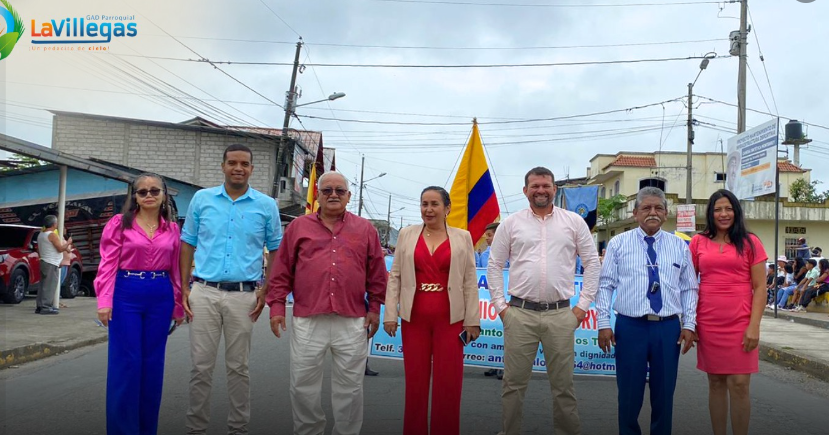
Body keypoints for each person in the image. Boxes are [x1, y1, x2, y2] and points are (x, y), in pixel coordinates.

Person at [267, 171, 387, 435]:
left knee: (350, 387)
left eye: (339, 191)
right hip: (309, 318)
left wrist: (375, 308)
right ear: (318, 195)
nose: (333, 195)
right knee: (303, 384)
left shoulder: (365, 229)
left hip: (352, 319)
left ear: (349, 196)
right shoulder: (298, 227)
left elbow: (377, 273)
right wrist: (276, 307)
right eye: (327, 190)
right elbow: (282, 269)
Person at [487, 167, 600, 435]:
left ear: (554, 189)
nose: (541, 190)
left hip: (561, 315)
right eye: (535, 186)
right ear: (525, 190)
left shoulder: (574, 222)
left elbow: (592, 263)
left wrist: (582, 307)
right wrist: (501, 307)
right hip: (519, 314)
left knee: (563, 386)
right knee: (513, 384)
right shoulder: (511, 224)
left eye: (546, 185)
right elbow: (494, 265)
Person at [180, 144, 282, 435]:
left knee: (239, 367)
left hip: (243, 295)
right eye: (233, 163)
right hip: (204, 291)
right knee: (200, 366)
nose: (239, 168)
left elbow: (276, 249)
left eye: (244, 164)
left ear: (252, 169)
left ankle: (238, 428)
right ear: (223, 166)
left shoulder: (266, 206)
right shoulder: (202, 199)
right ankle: (195, 428)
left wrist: (266, 289)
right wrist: (183, 286)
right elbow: (187, 242)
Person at [596, 187, 699, 435]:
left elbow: (689, 288)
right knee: (629, 394)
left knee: (664, 393)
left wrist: (689, 324)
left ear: (666, 213)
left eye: (658, 208)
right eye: (646, 208)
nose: (652, 212)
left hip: (668, 328)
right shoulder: (618, 244)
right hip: (631, 327)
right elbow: (605, 284)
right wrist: (603, 323)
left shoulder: (679, 246)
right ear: (635, 213)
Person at [384, 186, 481, 435]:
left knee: (448, 383)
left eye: (434, 204)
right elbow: (395, 277)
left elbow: (470, 281)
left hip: (451, 319)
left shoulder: (463, 237)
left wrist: (472, 320)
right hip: (414, 318)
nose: (428, 209)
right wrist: (390, 314)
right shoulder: (407, 234)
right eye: (424, 204)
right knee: (415, 382)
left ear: (447, 208)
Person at [93, 173, 185, 435]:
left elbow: (176, 270)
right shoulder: (119, 224)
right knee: (127, 363)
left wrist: (178, 304)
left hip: (160, 295)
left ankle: (146, 429)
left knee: (153, 365)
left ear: (164, 195)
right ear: (134, 196)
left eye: (154, 191)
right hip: (126, 293)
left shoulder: (172, 229)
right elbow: (108, 264)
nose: (149, 195)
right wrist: (104, 301)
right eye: (142, 191)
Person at [689, 189, 768, 435]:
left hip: (741, 321)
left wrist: (754, 326)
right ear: (710, 214)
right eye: (717, 210)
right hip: (708, 321)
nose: (723, 214)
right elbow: (688, 286)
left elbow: (760, 287)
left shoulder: (751, 242)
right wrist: (690, 323)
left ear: (736, 211)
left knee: (740, 384)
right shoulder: (698, 242)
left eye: (728, 209)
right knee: (715, 382)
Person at [478, 221, 506, 378]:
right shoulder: (484, 255)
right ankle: (491, 362)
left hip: (505, 298)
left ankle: (503, 364)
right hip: (488, 299)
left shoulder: (510, 253)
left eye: (489, 235)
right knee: (491, 331)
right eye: (486, 235)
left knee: (505, 332)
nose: (487, 238)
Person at [35, 215, 72, 315]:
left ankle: (40, 306)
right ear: (54, 224)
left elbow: (39, 250)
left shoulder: (41, 234)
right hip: (51, 262)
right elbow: (60, 249)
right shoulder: (52, 235)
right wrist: (68, 243)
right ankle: (46, 307)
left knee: (43, 285)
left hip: (44, 261)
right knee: (50, 286)